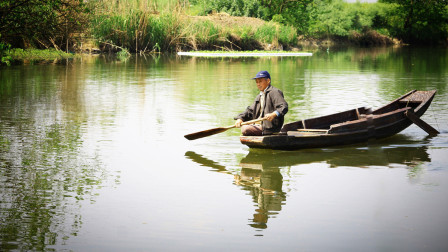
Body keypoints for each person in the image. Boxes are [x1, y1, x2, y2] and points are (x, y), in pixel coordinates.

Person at [234, 70, 288, 136]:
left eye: (260, 81)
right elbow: (250, 111)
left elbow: (283, 106)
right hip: (259, 125)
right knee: (244, 126)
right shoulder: (259, 96)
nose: (258, 84)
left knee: (245, 129)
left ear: (268, 81)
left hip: (270, 127)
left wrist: (273, 114)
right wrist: (240, 118)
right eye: (257, 82)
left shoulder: (274, 92)